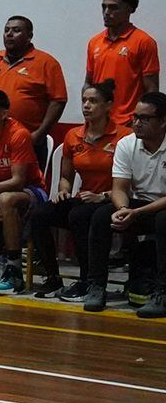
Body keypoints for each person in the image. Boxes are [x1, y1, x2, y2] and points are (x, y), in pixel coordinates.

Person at [29, 80, 120, 301]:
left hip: (113, 199)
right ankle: (52, 277)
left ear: (108, 105)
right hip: (85, 197)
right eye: (84, 101)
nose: (87, 105)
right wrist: (63, 190)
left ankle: (87, 281)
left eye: (93, 101)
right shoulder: (73, 136)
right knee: (40, 213)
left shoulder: (123, 136)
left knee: (79, 215)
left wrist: (103, 196)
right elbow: (66, 178)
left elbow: (130, 183)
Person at [90, 91, 166, 316]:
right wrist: (123, 210)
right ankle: (96, 285)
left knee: (164, 220)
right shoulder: (126, 144)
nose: (136, 123)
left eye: (144, 118)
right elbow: (119, 188)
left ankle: (162, 292)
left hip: (159, 208)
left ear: (162, 122)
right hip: (139, 206)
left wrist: (136, 211)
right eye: (135, 117)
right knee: (102, 215)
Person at [0, 16, 67, 164]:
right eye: (6, 30)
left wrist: (39, 134)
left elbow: (58, 101)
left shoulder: (47, 63)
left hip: (28, 140)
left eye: (16, 30)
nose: (9, 34)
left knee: (23, 184)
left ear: (29, 36)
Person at [86, 0, 158, 126]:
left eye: (113, 7)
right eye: (104, 7)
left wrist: (138, 120)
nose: (106, 12)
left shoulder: (144, 42)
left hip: (128, 124)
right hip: (99, 123)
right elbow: (89, 82)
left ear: (129, 9)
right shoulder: (94, 42)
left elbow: (152, 89)